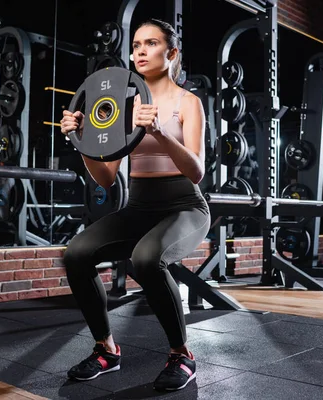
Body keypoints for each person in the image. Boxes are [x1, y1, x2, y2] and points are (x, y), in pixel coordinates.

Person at [59, 18, 210, 392]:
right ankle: (106, 350)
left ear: (171, 53)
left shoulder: (187, 102)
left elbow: (196, 171)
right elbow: (107, 177)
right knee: (76, 254)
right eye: (137, 44)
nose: (140, 51)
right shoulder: (123, 104)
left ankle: (182, 355)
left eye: (151, 43)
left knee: (146, 259)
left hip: (185, 206)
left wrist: (158, 130)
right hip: (139, 206)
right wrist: (81, 141)